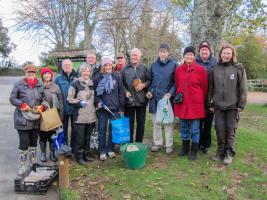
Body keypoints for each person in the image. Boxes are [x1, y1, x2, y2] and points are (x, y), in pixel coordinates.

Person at [208, 44, 247, 165]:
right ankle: (220, 153)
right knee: (219, 130)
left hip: (233, 106)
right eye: (224, 53)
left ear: (232, 55)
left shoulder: (238, 68)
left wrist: (241, 104)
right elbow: (211, 88)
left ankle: (229, 154)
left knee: (230, 130)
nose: (226, 55)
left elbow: (243, 87)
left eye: (228, 53)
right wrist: (210, 103)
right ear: (221, 54)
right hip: (218, 105)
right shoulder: (215, 68)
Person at [9, 64, 45, 176]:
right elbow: (12, 98)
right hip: (22, 119)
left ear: (36, 73)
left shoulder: (40, 85)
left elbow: (44, 99)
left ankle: (33, 164)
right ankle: (23, 166)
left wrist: (42, 107)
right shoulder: (18, 84)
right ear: (25, 73)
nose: (31, 74)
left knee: (34, 142)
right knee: (24, 143)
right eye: (29, 72)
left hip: (35, 119)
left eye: (33, 72)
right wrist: (22, 104)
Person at [174, 46, 208, 160]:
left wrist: (199, 100)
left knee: (195, 129)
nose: (189, 56)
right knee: (183, 127)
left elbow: (205, 88)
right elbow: (178, 84)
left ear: (194, 56)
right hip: (183, 104)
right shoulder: (178, 69)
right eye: (187, 54)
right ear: (184, 56)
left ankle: (194, 151)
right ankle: (184, 149)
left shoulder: (201, 70)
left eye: (191, 54)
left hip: (195, 104)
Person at [93, 57, 125, 161]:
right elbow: (95, 94)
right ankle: (102, 150)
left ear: (112, 66)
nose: (107, 67)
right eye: (105, 65)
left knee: (112, 129)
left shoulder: (117, 77)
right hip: (103, 108)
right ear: (103, 67)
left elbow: (121, 93)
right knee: (102, 129)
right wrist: (98, 102)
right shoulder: (97, 78)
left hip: (114, 108)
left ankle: (110, 149)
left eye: (109, 65)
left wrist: (121, 107)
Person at [147, 43, 177, 154]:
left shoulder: (174, 65)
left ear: (168, 53)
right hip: (155, 98)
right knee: (156, 122)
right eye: (161, 51)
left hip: (167, 98)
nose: (163, 53)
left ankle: (169, 144)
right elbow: (150, 81)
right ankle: (157, 142)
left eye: (165, 51)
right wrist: (150, 91)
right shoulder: (153, 65)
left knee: (168, 122)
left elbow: (176, 82)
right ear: (158, 53)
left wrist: (171, 93)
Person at [67, 63, 97, 165]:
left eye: (88, 71)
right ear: (81, 72)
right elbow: (69, 99)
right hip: (80, 117)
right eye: (84, 71)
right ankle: (79, 156)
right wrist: (79, 103)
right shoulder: (75, 83)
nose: (86, 73)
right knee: (79, 138)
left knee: (88, 137)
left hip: (91, 116)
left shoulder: (92, 83)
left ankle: (86, 154)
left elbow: (95, 98)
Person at [121, 48, 151, 143]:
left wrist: (144, 85)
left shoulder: (144, 68)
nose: (134, 57)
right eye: (132, 55)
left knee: (141, 123)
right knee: (129, 123)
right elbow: (120, 83)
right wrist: (125, 91)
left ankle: (138, 143)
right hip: (129, 101)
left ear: (140, 57)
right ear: (130, 56)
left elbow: (150, 80)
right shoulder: (124, 69)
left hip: (141, 100)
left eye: (136, 55)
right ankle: (128, 143)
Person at [195, 41, 218, 154]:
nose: (204, 51)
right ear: (199, 51)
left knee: (208, 123)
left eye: (206, 50)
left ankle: (206, 145)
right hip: (197, 97)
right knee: (198, 123)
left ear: (210, 51)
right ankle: (198, 143)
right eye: (202, 50)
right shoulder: (194, 61)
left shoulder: (215, 62)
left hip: (210, 97)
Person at [39, 67, 63, 162]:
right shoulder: (39, 86)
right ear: (42, 76)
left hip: (53, 115)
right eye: (45, 74)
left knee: (52, 136)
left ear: (51, 76)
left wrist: (61, 114)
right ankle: (43, 154)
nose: (47, 75)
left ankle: (52, 153)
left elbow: (60, 101)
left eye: (48, 74)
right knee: (43, 136)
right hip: (42, 116)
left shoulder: (56, 87)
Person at [54, 59, 78, 149]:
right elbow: (54, 93)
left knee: (75, 130)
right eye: (65, 65)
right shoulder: (58, 79)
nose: (67, 66)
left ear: (72, 66)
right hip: (63, 109)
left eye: (69, 65)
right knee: (62, 130)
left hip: (75, 108)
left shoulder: (77, 77)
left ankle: (73, 148)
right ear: (62, 67)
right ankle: (63, 149)